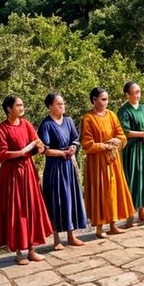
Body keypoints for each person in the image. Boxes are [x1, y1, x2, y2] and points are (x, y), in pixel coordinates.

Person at [0, 96, 53, 266]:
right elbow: (1, 154)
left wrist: (40, 147)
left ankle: (32, 249)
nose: (21, 107)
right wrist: (21, 152)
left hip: (27, 171)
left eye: (22, 105)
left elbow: (36, 143)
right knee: (16, 209)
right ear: (8, 109)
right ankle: (19, 252)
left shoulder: (26, 124)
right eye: (18, 105)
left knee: (31, 208)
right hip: (11, 175)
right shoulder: (2, 129)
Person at [37, 92, 87, 251]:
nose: (62, 106)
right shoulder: (46, 125)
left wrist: (73, 147)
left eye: (63, 103)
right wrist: (62, 153)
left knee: (70, 198)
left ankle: (71, 235)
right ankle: (57, 239)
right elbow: (44, 149)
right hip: (55, 168)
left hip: (68, 166)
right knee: (56, 200)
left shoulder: (68, 120)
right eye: (59, 104)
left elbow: (75, 138)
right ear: (50, 106)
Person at [81, 88, 133, 238]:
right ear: (94, 100)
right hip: (97, 162)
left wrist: (117, 141)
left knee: (113, 191)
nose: (106, 102)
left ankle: (113, 224)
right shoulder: (88, 119)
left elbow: (121, 135)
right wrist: (105, 145)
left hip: (113, 159)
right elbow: (87, 144)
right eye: (103, 99)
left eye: (107, 99)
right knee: (100, 192)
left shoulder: (112, 115)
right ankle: (99, 227)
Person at [117, 81, 144, 227]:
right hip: (132, 150)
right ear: (127, 94)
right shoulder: (124, 111)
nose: (137, 95)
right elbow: (125, 131)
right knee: (132, 179)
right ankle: (129, 215)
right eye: (134, 92)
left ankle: (142, 213)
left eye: (138, 91)